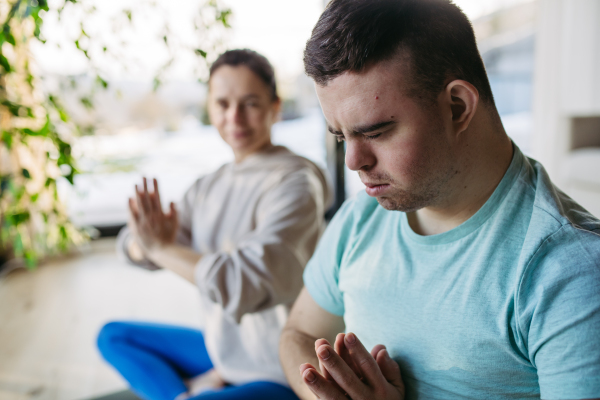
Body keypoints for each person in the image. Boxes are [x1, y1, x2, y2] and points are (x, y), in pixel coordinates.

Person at [279, 1, 600, 399]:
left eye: (375, 133)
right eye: (342, 137)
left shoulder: (571, 273)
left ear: (457, 107)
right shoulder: (362, 215)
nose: (353, 162)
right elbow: (299, 333)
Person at [97, 49, 331, 400]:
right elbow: (140, 245)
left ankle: (191, 392)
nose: (234, 117)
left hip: (282, 370)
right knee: (114, 337)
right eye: (222, 104)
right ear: (210, 108)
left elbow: (244, 283)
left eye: (249, 103)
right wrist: (144, 242)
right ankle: (196, 389)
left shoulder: (297, 182)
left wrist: (160, 248)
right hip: (228, 354)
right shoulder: (209, 185)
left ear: (274, 107)